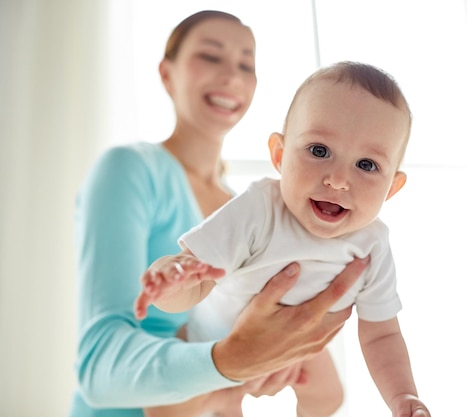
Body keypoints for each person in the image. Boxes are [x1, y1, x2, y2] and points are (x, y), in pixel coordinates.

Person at [70, 11, 369, 417]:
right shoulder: (130, 170)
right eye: (211, 56)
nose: (232, 75)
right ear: (166, 73)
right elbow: (98, 367)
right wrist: (231, 362)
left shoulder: (254, 210)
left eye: (246, 64)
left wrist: (274, 354)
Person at [134, 61, 431, 417]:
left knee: (329, 397)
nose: (337, 180)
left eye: (366, 165)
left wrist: (402, 397)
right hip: (210, 342)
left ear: (392, 188)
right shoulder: (260, 208)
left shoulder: (373, 244)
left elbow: (382, 336)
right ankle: (223, 401)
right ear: (279, 155)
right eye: (319, 151)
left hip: (297, 347)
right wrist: (171, 281)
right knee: (166, 404)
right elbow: (196, 280)